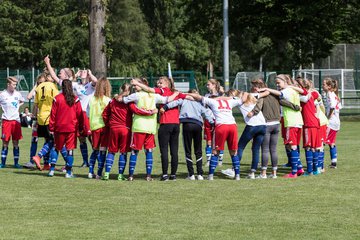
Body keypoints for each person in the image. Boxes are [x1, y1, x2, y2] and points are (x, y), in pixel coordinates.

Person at [119, 77, 177, 181]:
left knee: (134, 151)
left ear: (142, 85)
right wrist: (176, 94)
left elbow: (123, 100)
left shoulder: (136, 95)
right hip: (150, 128)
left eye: (136, 85)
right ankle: (148, 176)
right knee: (149, 151)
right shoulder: (154, 96)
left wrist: (119, 96)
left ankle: (131, 175)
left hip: (139, 127)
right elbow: (167, 99)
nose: (135, 87)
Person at [131, 76, 188, 181]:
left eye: (160, 83)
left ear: (166, 84)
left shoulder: (162, 91)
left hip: (166, 123)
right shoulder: (176, 93)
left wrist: (137, 83)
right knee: (174, 151)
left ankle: (165, 174)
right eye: (158, 83)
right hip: (176, 124)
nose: (158, 85)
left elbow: (148, 89)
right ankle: (173, 175)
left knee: (164, 150)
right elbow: (190, 97)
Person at [102, 83, 158, 181]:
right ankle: (120, 175)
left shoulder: (112, 101)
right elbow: (136, 111)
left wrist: (109, 124)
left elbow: (105, 114)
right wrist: (149, 112)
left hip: (114, 128)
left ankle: (106, 173)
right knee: (123, 152)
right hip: (125, 129)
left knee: (111, 151)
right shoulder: (129, 102)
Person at [249, 79, 300, 179]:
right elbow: (284, 102)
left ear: (257, 87)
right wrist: (296, 107)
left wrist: (251, 113)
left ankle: (263, 174)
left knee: (265, 150)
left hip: (267, 125)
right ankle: (274, 173)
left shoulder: (261, 95)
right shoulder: (274, 94)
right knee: (273, 149)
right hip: (276, 125)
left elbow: (258, 107)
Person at [187, 90, 242, 181]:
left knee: (215, 151)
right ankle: (237, 175)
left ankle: (211, 176)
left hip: (221, 126)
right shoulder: (230, 101)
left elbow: (198, 97)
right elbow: (242, 99)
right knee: (233, 151)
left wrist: (185, 94)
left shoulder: (212, 101)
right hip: (232, 126)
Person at [160, 89, 214, 180]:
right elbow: (206, 113)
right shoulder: (199, 102)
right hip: (198, 126)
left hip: (187, 125)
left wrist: (165, 107)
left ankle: (191, 174)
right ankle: (200, 174)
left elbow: (175, 102)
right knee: (198, 150)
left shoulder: (184, 100)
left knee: (188, 150)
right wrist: (212, 123)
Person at [260, 74, 306, 178]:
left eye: (278, 83)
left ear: (285, 81)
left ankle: (294, 172)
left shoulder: (287, 91)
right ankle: (299, 168)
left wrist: (267, 89)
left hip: (291, 121)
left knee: (292, 146)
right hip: (298, 121)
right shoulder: (294, 90)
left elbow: (279, 93)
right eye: (276, 83)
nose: (277, 85)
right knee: (293, 145)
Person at [47, 79, 84, 178]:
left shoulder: (57, 98)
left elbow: (53, 115)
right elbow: (80, 115)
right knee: (70, 150)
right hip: (71, 128)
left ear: (62, 87)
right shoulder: (75, 99)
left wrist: (51, 127)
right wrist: (81, 127)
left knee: (56, 147)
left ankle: (51, 170)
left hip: (59, 128)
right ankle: (68, 172)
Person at [31, 74, 60, 170]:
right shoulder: (53, 86)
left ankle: (47, 164)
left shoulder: (39, 87)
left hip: (41, 118)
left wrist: (34, 117)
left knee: (47, 140)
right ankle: (38, 156)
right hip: (50, 117)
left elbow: (35, 105)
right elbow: (57, 101)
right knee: (53, 141)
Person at [86, 77, 111, 179]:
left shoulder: (91, 99)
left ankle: (90, 172)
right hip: (104, 128)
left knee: (95, 150)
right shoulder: (108, 100)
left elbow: (87, 115)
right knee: (103, 151)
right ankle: (99, 173)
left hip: (94, 127)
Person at [298, 78, 321, 176]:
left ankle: (310, 171)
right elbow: (318, 96)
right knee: (314, 147)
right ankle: (315, 170)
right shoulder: (312, 94)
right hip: (315, 123)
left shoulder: (303, 96)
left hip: (309, 124)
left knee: (308, 147)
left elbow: (306, 98)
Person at [0, 77, 24, 168]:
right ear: (8, 84)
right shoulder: (2, 94)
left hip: (16, 121)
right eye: (13, 84)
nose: (15, 86)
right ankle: (2, 163)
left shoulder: (18, 94)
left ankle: (16, 163)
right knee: (5, 143)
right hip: (6, 121)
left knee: (16, 142)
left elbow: (22, 101)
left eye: (15, 84)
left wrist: (17, 106)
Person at [204, 79, 224, 166]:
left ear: (214, 85)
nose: (207, 86)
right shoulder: (206, 95)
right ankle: (208, 160)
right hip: (208, 120)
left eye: (208, 84)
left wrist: (222, 93)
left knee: (219, 141)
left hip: (218, 120)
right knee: (208, 141)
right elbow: (204, 109)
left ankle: (220, 159)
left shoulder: (220, 95)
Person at [322, 77, 341, 169]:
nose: (322, 86)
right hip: (336, 122)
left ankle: (319, 164)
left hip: (331, 122)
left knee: (322, 141)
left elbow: (333, 107)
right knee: (331, 142)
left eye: (324, 84)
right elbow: (339, 107)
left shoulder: (330, 94)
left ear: (329, 86)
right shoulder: (335, 94)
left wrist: (327, 117)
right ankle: (334, 163)